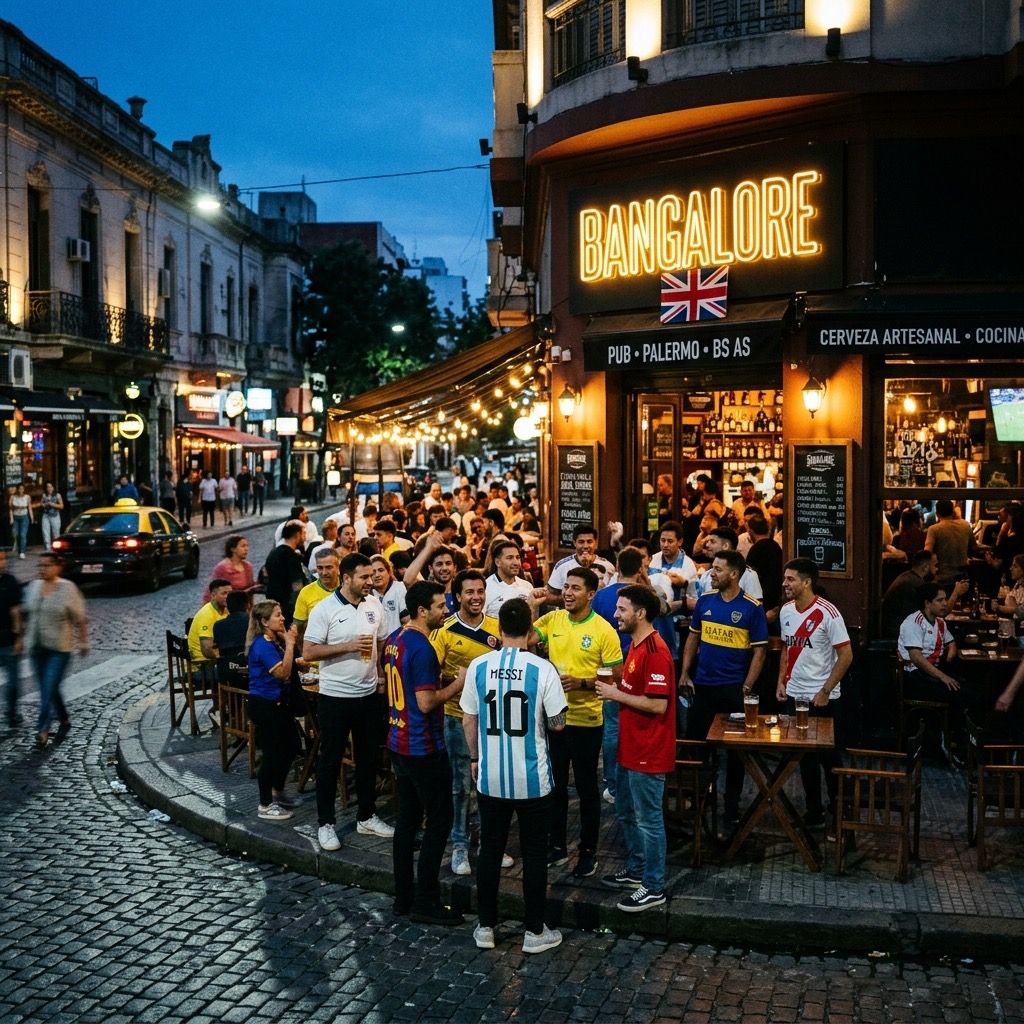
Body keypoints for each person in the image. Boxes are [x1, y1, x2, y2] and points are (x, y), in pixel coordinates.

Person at [461, 598, 567, 955]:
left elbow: (468, 718)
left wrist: (475, 758)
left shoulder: (479, 666)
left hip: (491, 776)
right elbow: (558, 723)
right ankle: (535, 931)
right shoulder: (543, 669)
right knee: (535, 853)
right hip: (532, 778)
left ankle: (485, 927)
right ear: (531, 628)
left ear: (499, 627)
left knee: (490, 849)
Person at [532, 566, 623, 877]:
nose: (568, 593)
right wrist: (532, 607)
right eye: (566, 587)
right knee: (554, 786)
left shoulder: (604, 630)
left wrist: (581, 683)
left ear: (591, 594)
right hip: (554, 719)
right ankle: (556, 847)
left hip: (587, 721)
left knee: (586, 789)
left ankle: (588, 850)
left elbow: (617, 676)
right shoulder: (553, 619)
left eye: (575, 588)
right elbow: (528, 637)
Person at [302, 552, 395, 852]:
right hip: (335, 697)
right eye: (365, 577)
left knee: (367, 759)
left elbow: (381, 641)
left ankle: (366, 816)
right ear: (346, 579)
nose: (372, 581)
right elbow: (310, 652)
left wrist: (380, 674)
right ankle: (325, 823)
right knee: (329, 761)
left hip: (368, 696)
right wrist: (348, 646)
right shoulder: (324, 609)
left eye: (372, 576)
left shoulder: (374, 604)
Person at [384, 581, 465, 925]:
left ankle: (403, 896)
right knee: (440, 821)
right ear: (422, 611)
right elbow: (426, 701)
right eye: (439, 606)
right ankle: (426, 901)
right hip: (423, 746)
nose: (445, 611)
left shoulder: (394, 640)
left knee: (406, 822)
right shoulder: (423, 648)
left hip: (398, 740)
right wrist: (458, 684)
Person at [596, 584, 676, 912]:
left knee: (649, 820)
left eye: (622, 609)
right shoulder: (635, 646)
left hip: (649, 751)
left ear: (640, 613)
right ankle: (638, 869)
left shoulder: (656, 652)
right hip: (630, 749)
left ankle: (654, 886)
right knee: (628, 813)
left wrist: (615, 695)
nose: (615, 614)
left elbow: (657, 705)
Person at [680, 548, 768, 825]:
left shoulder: (752, 608)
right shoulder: (705, 602)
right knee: (697, 747)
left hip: (733, 689)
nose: (711, 573)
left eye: (717, 569)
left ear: (734, 574)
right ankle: (697, 800)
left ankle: (731, 805)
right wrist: (684, 673)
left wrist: (747, 686)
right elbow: (693, 639)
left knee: (735, 752)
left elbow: (760, 652)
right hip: (703, 686)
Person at [430, 569, 502, 877]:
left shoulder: (498, 628)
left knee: (491, 784)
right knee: (460, 785)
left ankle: (489, 843)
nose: (476, 597)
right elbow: (433, 676)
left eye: (480, 591)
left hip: (494, 719)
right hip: (458, 718)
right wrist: (467, 680)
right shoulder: (443, 631)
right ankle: (459, 845)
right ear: (457, 596)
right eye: (469, 592)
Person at [776, 558, 853, 831]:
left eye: (790, 579)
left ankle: (840, 807)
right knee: (804, 758)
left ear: (807, 582)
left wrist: (826, 690)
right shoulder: (785, 611)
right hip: (796, 696)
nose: (785, 584)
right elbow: (786, 648)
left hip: (823, 698)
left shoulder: (828, 613)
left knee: (830, 758)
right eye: (785, 579)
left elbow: (846, 655)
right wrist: (781, 681)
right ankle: (813, 810)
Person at [897, 582, 980, 765]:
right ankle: (951, 743)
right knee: (958, 694)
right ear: (927, 603)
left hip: (932, 674)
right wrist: (943, 677)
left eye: (945, 599)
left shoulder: (940, 623)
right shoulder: (913, 622)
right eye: (940, 600)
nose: (945, 604)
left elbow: (950, 641)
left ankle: (961, 741)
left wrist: (951, 648)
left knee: (972, 691)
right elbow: (917, 658)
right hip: (915, 677)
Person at [244, 599, 303, 820]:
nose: (283, 618)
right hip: (265, 705)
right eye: (278, 615)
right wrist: (290, 643)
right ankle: (265, 805)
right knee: (271, 754)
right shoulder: (262, 645)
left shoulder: (273, 640)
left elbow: (290, 665)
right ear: (265, 621)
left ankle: (277, 790)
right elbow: (283, 674)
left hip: (278, 703)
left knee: (292, 746)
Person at [25, 552, 88, 748]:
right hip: (36, 648)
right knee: (50, 687)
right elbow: (25, 611)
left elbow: (80, 619)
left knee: (46, 689)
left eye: (47, 565)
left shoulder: (67, 588)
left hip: (59, 649)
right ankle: (64, 718)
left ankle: (42, 730)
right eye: (40, 566)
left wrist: (83, 642)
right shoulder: (33, 587)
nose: (42, 569)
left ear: (57, 567)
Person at [689, 528, 763, 608]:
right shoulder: (707, 575)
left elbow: (756, 609)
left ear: (726, 546)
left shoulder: (748, 576)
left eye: (712, 542)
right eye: (708, 542)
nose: (707, 545)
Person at [545, 523, 615, 604]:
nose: (585, 546)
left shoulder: (608, 567)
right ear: (574, 543)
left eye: (589, 542)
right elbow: (550, 595)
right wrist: (575, 597)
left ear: (596, 543)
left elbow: (612, 596)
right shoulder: (562, 566)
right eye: (581, 542)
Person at [924, 498, 979, 591]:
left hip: (942, 577)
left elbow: (926, 553)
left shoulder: (934, 529)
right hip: (962, 576)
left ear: (937, 513)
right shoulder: (965, 525)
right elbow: (974, 548)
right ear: (952, 511)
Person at [293, 548, 340, 648]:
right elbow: (298, 628)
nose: (324, 572)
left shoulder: (347, 588)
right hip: (317, 659)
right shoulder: (306, 593)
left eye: (329, 567)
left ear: (338, 568)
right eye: (320, 568)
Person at [262, 522, 307, 624]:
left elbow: (265, 575)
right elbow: (297, 586)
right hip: (288, 608)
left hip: (273, 604)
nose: (305, 536)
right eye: (303, 533)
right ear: (297, 535)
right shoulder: (291, 556)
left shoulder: (273, 553)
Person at [0, 549, 24, 726]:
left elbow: (16, 611)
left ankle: (12, 712)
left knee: (13, 682)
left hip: (8, 639)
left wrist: (19, 638)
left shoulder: (10, 582)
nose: (3, 563)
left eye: (3, 559)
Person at [188, 578, 231, 672]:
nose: (228, 597)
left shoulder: (225, 611)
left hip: (215, 663)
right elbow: (207, 650)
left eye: (230, 593)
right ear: (213, 595)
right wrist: (227, 660)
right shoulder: (207, 615)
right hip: (202, 667)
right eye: (224, 593)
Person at [204, 535, 256, 602]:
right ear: (233, 549)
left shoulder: (248, 567)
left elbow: (250, 592)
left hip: (245, 607)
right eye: (243, 546)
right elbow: (210, 591)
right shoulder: (222, 568)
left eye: (247, 546)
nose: (246, 549)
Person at [370, 554, 408, 636]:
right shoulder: (367, 594)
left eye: (381, 570)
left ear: (389, 572)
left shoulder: (399, 588)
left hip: (396, 642)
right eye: (373, 572)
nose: (377, 575)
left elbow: (406, 620)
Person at [38, 482, 64, 551]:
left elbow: (61, 506)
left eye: (50, 487)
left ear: (53, 488)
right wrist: (42, 504)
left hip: (55, 516)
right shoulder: (44, 495)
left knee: (56, 532)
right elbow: (41, 503)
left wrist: (52, 504)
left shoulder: (57, 495)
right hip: (46, 515)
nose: (49, 489)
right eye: (47, 487)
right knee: (45, 532)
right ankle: (48, 548)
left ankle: (56, 548)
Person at [9, 484, 32, 559]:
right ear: (17, 489)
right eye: (19, 489)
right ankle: (19, 550)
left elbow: (29, 507)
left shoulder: (27, 497)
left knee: (23, 534)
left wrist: (32, 517)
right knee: (16, 534)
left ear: (24, 489)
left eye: (22, 489)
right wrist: (11, 518)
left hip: (24, 517)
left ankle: (22, 552)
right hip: (15, 517)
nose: (21, 490)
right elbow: (10, 509)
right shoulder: (13, 497)